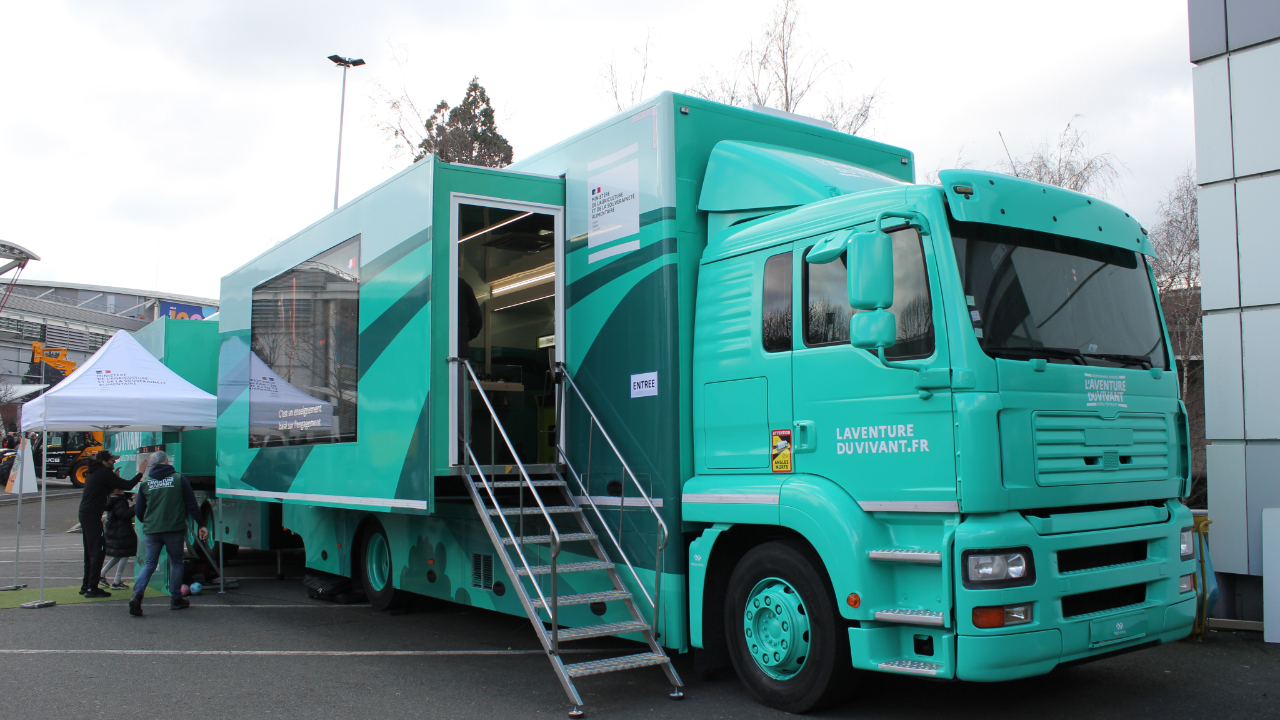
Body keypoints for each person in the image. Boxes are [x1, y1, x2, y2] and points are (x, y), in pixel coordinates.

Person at [131, 451, 207, 615]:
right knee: (176, 563)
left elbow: (138, 511)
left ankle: (137, 595)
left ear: (152, 464)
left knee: (150, 564)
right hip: (174, 528)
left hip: (152, 530)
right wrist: (201, 524)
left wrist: (149, 522)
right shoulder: (179, 479)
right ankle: (175, 598)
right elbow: (191, 503)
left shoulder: (146, 483)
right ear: (166, 461)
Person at [78, 451, 141, 598]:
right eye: (111, 460)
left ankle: (86, 585)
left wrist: (115, 479)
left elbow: (108, 491)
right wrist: (141, 473)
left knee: (89, 551)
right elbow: (128, 484)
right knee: (98, 551)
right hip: (92, 516)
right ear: (103, 461)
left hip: (86, 514)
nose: (113, 462)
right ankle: (92, 588)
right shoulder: (103, 473)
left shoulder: (96, 473)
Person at [99, 489, 137, 590]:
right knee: (124, 554)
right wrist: (136, 506)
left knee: (119, 555)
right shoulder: (120, 501)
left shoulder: (113, 500)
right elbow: (124, 515)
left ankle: (102, 574)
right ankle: (116, 581)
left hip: (115, 531)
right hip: (120, 532)